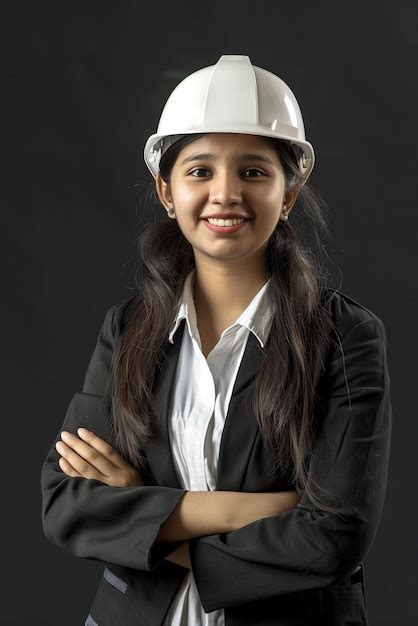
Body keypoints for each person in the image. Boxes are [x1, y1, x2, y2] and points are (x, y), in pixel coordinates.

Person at [40, 54, 392, 626]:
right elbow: (67, 504)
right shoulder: (128, 329)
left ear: (290, 193)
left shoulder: (343, 336)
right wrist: (244, 509)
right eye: (199, 171)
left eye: (253, 172)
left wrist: (142, 511)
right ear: (166, 190)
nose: (225, 193)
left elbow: (334, 537)